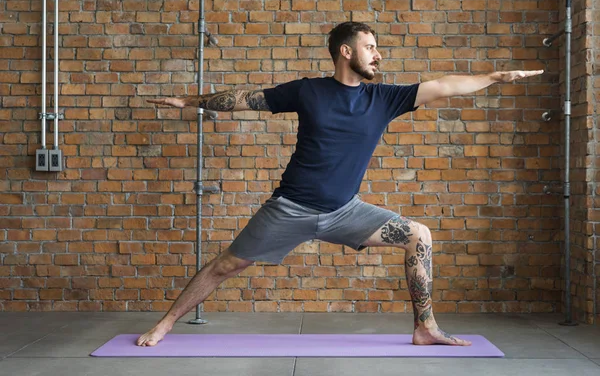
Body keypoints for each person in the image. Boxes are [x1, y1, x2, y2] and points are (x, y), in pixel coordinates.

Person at [137, 21, 543, 347]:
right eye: (371, 46)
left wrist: (494, 77)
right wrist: (189, 102)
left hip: (345, 212)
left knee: (419, 235)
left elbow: (445, 86)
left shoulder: (385, 98)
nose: (378, 54)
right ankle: (167, 323)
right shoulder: (308, 91)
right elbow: (245, 99)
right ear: (346, 51)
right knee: (227, 264)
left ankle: (426, 328)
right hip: (289, 209)